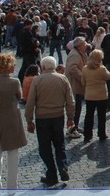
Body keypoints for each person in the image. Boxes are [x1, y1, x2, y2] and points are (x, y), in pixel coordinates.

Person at [25, 55, 75, 187]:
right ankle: (63, 166)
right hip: (58, 116)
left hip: (42, 117)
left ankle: (51, 174)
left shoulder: (38, 80)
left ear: (43, 67)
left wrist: (29, 120)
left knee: (45, 147)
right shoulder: (62, 79)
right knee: (60, 144)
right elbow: (70, 101)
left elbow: (30, 102)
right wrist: (70, 117)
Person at [0, 53, 26, 189]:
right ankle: (12, 186)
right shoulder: (15, 82)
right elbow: (19, 96)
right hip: (12, 120)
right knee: (13, 155)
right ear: (9, 67)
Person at [81, 48, 110, 143]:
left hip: (90, 95)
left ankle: (87, 135)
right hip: (101, 95)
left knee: (89, 115)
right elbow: (109, 76)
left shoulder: (85, 69)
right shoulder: (102, 69)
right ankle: (101, 134)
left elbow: (83, 82)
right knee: (101, 116)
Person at [65, 36, 88, 139]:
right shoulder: (75, 55)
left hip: (77, 84)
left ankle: (75, 126)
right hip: (74, 84)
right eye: (84, 43)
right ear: (79, 46)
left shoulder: (78, 53)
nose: (86, 45)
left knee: (78, 107)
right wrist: (82, 78)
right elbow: (72, 69)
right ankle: (71, 129)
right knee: (75, 108)